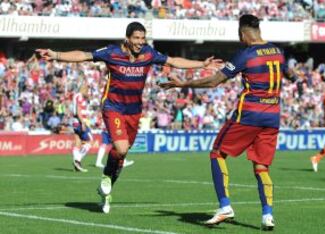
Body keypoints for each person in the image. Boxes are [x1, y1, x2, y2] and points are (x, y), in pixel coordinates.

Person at [36, 21, 222, 214]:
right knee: (121, 147)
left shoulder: (149, 53)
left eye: (143, 38)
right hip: (113, 106)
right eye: (136, 38)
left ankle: (107, 181)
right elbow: (83, 55)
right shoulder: (112, 52)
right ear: (127, 38)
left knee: (122, 154)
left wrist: (202, 64)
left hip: (134, 111)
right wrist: (56, 54)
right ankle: (107, 177)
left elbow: (174, 61)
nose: (140, 42)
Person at [161, 14, 293, 230]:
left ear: (242, 34)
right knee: (261, 166)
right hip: (273, 116)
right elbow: (290, 73)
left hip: (249, 114)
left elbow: (214, 81)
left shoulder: (246, 54)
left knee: (217, 152)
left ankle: (225, 206)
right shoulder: (277, 51)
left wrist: (184, 83)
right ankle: (267, 215)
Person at [72, 82, 93, 172]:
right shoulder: (79, 96)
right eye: (87, 90)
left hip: (75, 122)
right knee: (90, 141)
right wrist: (83, 122)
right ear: (82, 89)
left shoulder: (78, 96)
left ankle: (77, 163)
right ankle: (78, 160)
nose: (88, 92)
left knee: (78, 142)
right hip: (80, 122)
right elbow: (78, 110)